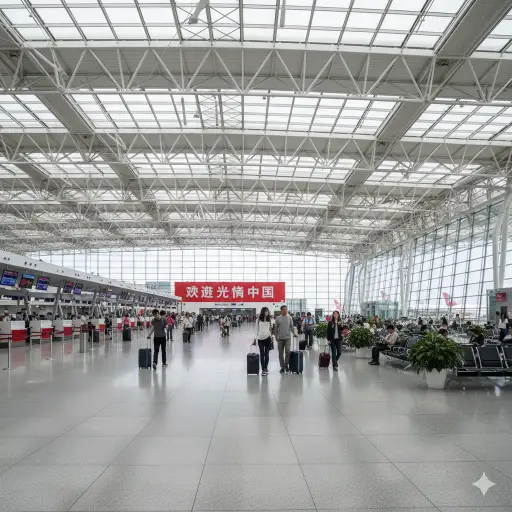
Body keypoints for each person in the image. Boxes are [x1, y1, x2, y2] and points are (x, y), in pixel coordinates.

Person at [274, 305, 295, 374]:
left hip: (288, 338)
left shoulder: (289, 317)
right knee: (280, 353)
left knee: (288, 352)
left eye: (286, 309)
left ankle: (286, 365)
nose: (285, 310)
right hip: (280, 338)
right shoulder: (278, 318)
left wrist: (294, 333)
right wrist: (276, 336)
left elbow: (291, 327)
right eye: (283, 309)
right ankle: (282, 367)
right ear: (281, 310)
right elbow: (276, 327)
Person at [254, 307, 273, 376]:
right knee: (262, 354)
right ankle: (263, 370)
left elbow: (270, 329)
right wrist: (255, 338)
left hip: (268, 338)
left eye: (267, 311)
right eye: (265, 311)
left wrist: (272, 337)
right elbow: (256, 329)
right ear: (263, 312)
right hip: (260, 339)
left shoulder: (269, 319)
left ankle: (265, 367)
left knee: (267, 354)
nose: (267, 312)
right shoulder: (258, 320)